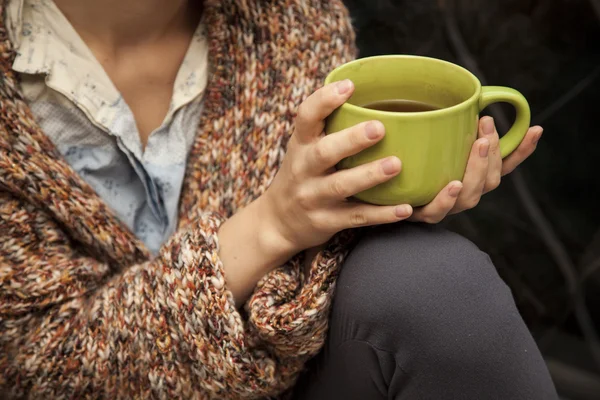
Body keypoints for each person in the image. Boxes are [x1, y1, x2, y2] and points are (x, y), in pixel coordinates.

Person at [0, 0, 558, 398]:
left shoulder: (298, 19)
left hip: (289, 374)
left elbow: (311, 280)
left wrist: (386, 198)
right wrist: (275, 225)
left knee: (432, 280)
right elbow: (37, 373)